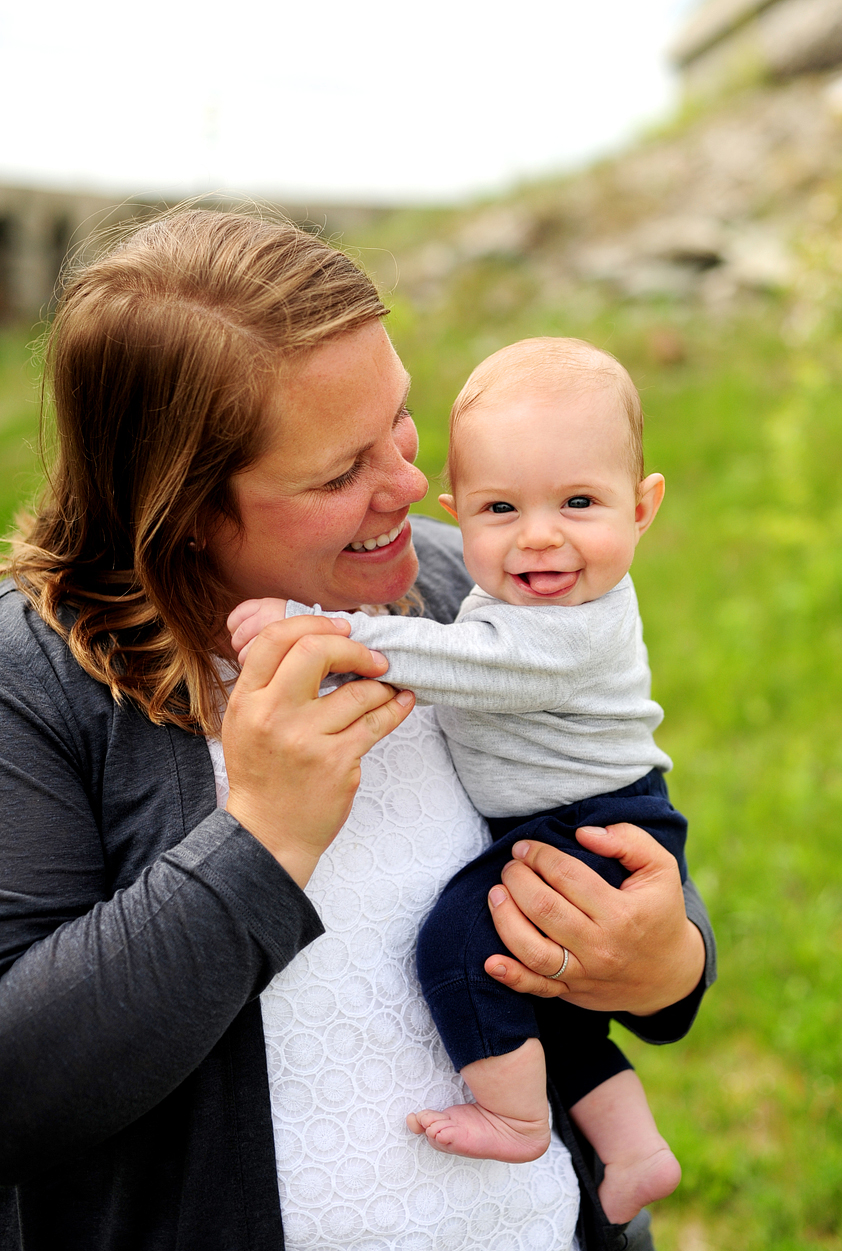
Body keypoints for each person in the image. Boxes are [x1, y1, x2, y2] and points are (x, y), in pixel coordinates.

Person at [0, 208, 715, 1251]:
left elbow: (594, 803)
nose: (412, 486)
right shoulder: (37, 681)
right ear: (185, 507)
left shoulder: (463, 581)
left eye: (401, 419)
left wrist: (667, 961)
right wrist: (261, 839)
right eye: (340, 473)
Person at [229, 337, 686, 1226]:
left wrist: (313, 625)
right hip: (578, 813)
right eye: (502, 507)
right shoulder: (522, 590)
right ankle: (634, 1148)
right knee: (550, 1008)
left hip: (592, 820)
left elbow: (470, 662)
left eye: (580, 502)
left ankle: (516, 1117)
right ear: (460, 514)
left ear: (643, 507)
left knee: (461, 945)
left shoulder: (564, 627)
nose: (541, 534)